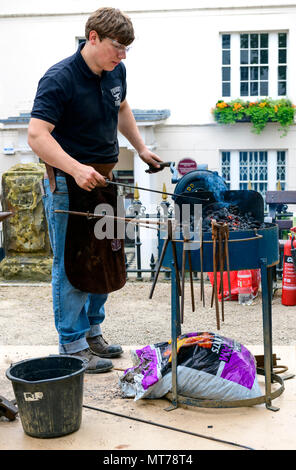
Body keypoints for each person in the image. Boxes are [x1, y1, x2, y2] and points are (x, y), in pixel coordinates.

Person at [28, 7, 162, 373]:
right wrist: (74, 168)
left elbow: (121, 107)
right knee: (72, 264)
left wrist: (140, 148)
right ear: (93, 37)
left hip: (105, 181)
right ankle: (70, 344)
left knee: (106, 256)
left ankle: (92, 333)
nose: (122, 55)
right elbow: (37, 136)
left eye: (126, 50)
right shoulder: (59, 79)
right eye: (117, 47)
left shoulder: (115, 71)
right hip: (68, 187)